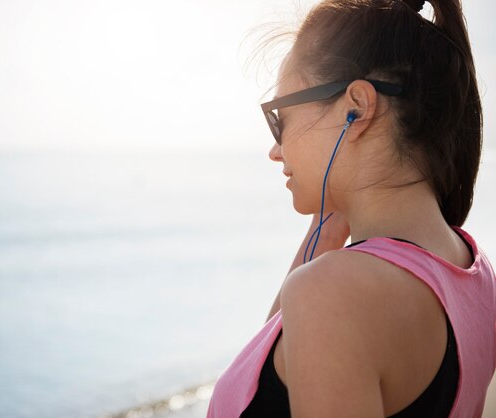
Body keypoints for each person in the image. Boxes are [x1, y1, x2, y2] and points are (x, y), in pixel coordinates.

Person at [206, 0, 496, 417]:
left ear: (355, 107)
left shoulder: (334, 294)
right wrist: (326, 228)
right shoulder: (471, 266)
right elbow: (261, 373)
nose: (275, 149)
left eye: (279, 118)